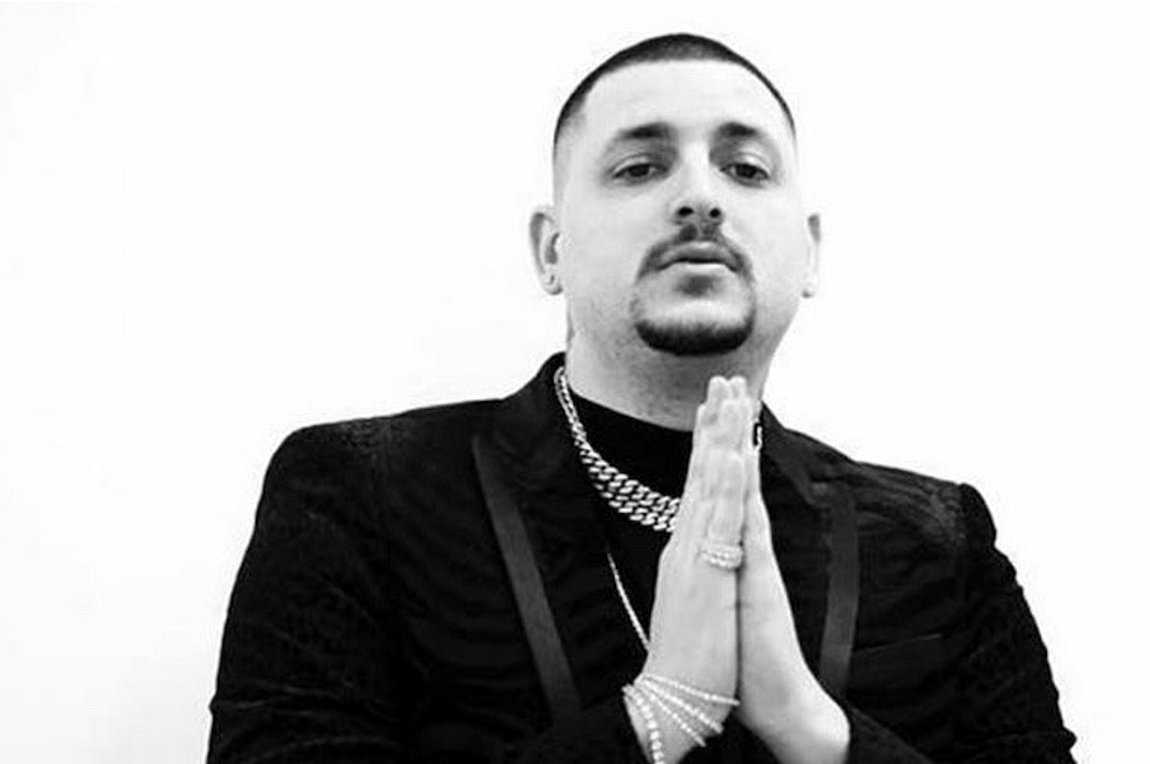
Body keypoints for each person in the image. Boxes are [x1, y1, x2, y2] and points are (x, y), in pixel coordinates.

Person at [207, 33, 1076, 763]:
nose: (699, 197)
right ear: (550, 250)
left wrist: (816, 732)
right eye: (639, 167)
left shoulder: (939, 537)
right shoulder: (362, 492)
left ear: (809, 253)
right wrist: (658, 714)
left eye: (745, 168)